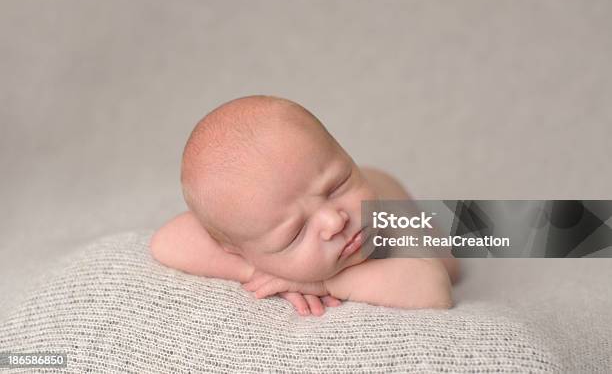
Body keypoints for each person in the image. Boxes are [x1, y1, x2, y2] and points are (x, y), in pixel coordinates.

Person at [150, 95, 460, 316]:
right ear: (241, 248)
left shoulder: (380, 226)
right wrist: (257, 269)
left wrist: (319, 281)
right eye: (296, 232)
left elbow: (433, 288)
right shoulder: (249, 240)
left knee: (450, 262)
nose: (334, 221)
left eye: (338, 184)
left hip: (401, 209)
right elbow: (166, 241)